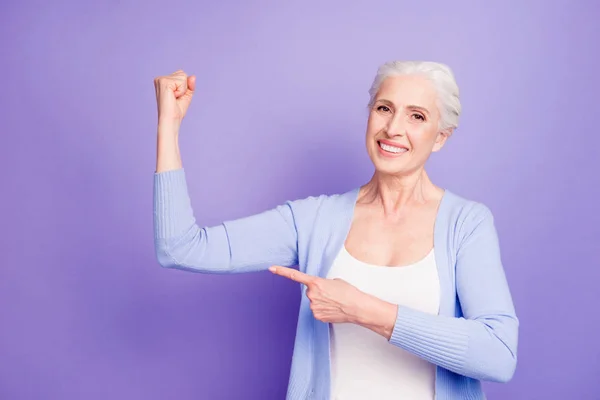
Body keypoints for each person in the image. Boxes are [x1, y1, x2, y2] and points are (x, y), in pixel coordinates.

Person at [152, 61, 519, 400]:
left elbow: (499, 355)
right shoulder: (314, 220)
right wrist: (169, 124)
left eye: (417, 116)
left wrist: (363, 309)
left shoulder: (466, 224)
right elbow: (180, 248)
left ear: (440, 137)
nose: (393, 128)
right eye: (384, 108)